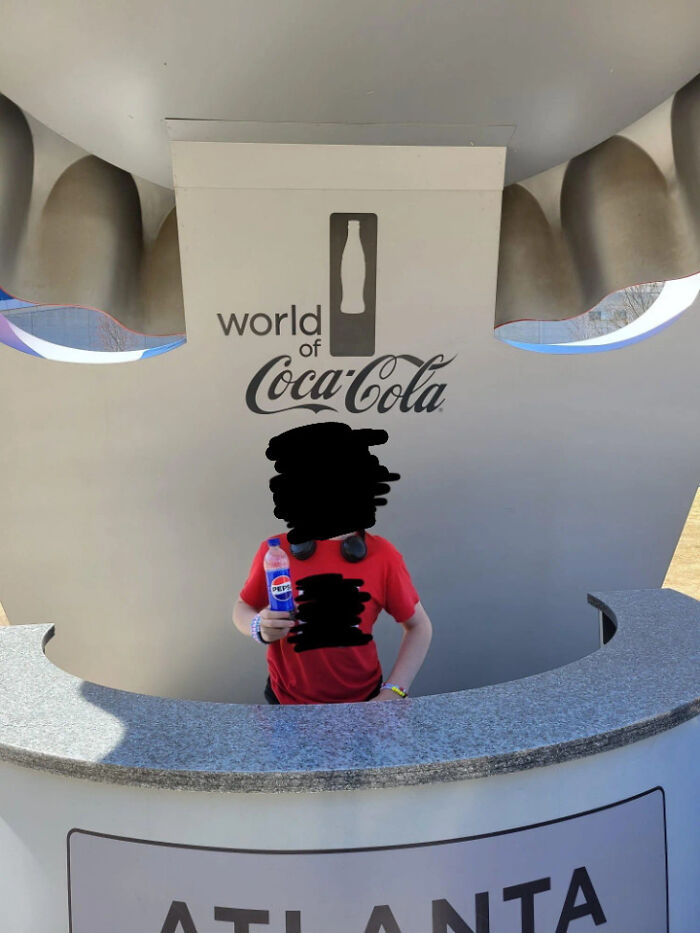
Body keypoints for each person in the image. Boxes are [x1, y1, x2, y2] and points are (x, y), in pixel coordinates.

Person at [233, 529, 432, 704]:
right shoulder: (275, 552)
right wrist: (257, 626)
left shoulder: (383, 554)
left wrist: (394, 692)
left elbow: (419, 627)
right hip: (285, 702)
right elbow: (243, 607)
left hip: (364, 702)